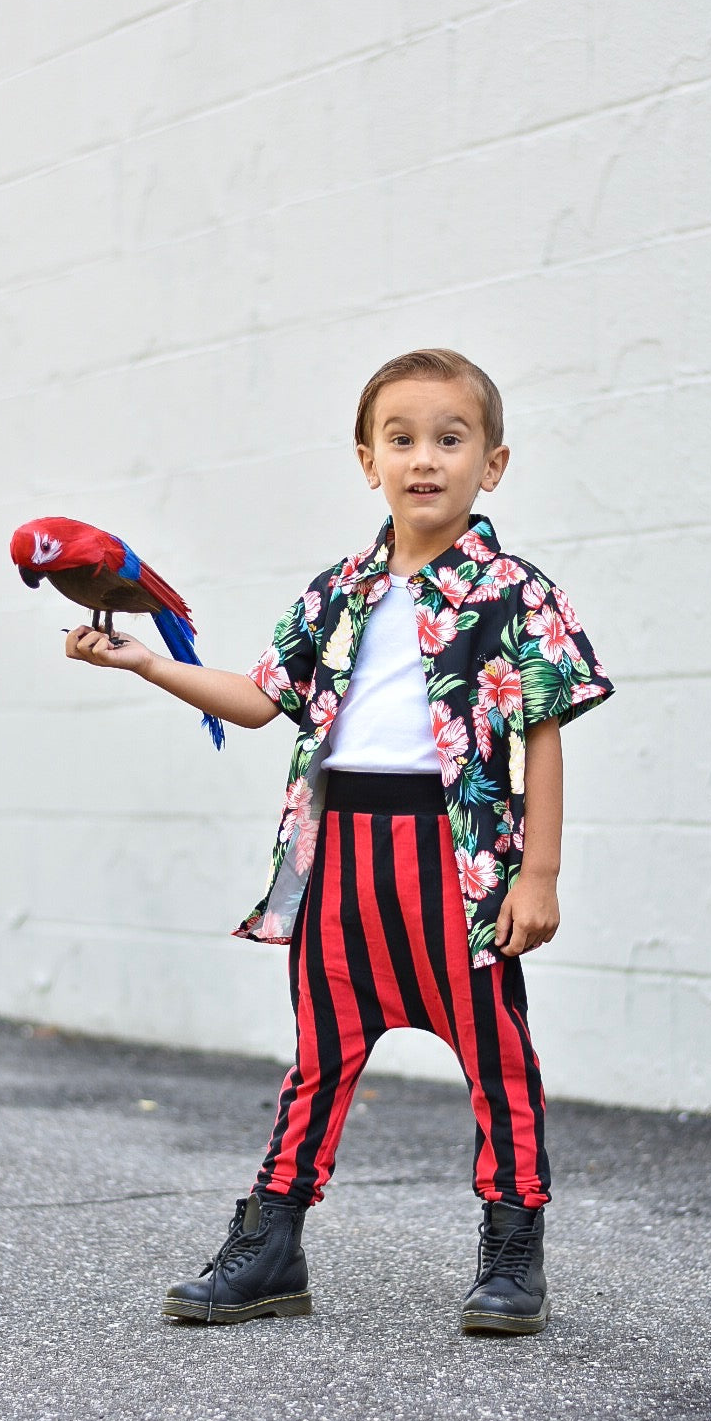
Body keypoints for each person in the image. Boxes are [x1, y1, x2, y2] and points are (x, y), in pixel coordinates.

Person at [65, 348, 614, 1334]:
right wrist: (142, 660)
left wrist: (540, 873)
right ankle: (272, 1244)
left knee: (499, 1058)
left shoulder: (515, 593)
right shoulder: (337, 592)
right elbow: (259, 697)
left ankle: (512, 1246)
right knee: (320, 1056)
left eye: (451, 439)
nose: (425, 459)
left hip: (458, 864)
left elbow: (543, 728)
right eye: (401, 439)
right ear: (368, 460)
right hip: (341, 861)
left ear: (493, 463)